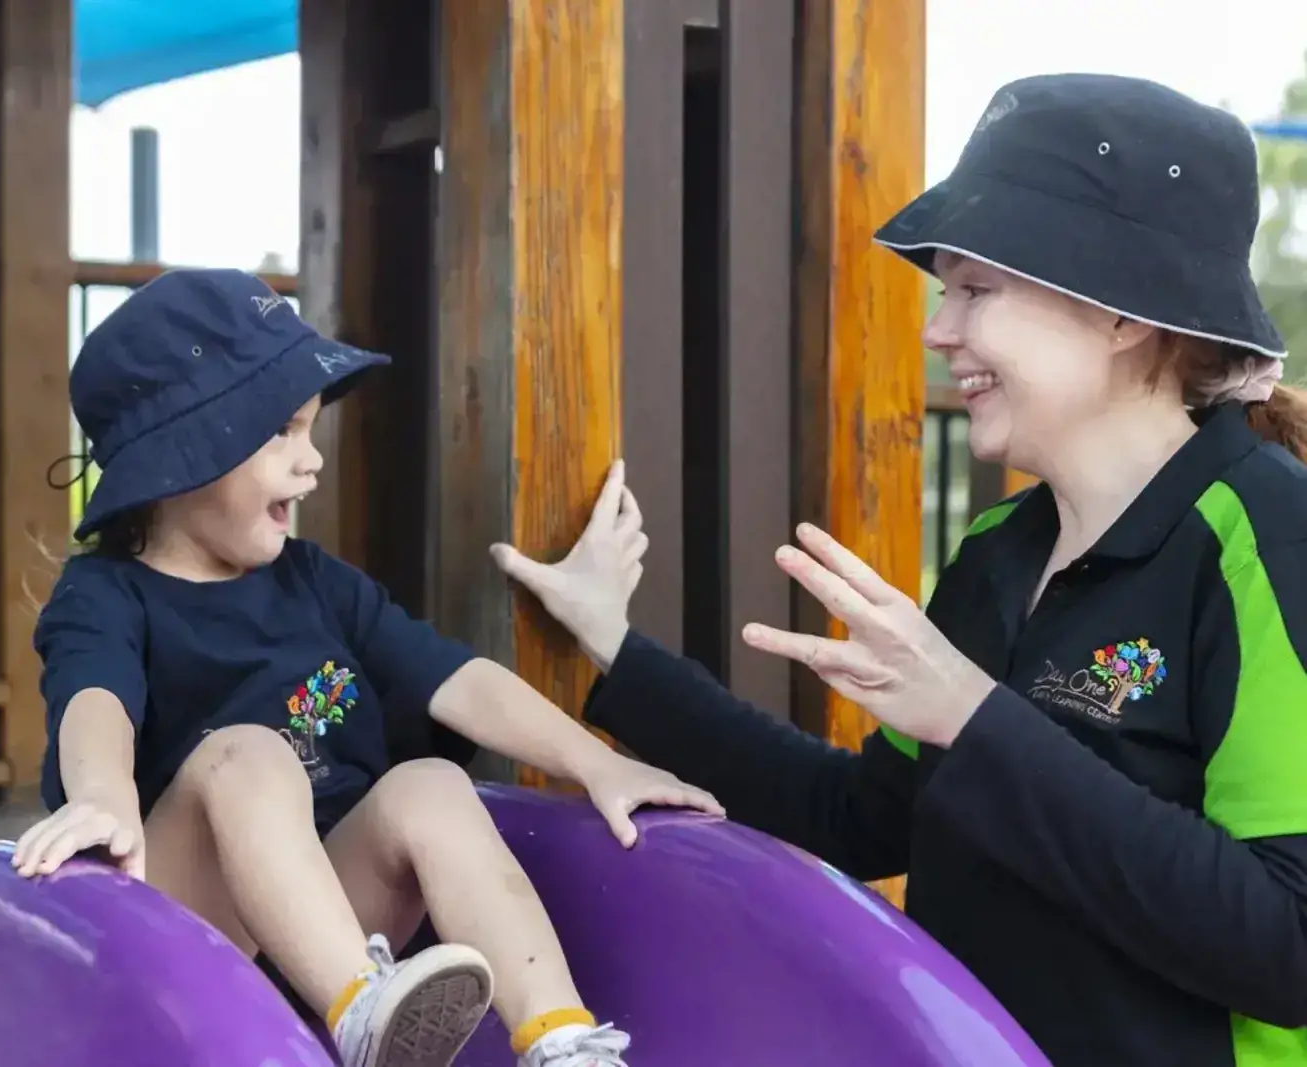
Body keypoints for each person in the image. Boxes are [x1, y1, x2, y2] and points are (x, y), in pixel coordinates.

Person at [491, 73, 1307, 1067]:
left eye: (977, 289)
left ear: (1121, 313)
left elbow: (1284, 945)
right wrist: (611, 639)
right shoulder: (1003, 550)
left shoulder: (1271, 538)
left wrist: (975, 714)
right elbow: (862, 818)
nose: (938, 329)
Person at [8, 268, 722, 1067]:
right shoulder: (107, 593)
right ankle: (361, 1010)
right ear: (190, 450)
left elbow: (461, 680)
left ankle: (562, 1043)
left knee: (429, 783)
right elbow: (94, 696)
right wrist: (101, 795)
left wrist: (597, 763)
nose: (310, 460)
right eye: (282, 430)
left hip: (330, 926)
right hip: (178, 944)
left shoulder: (315, 582)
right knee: (244, 753)